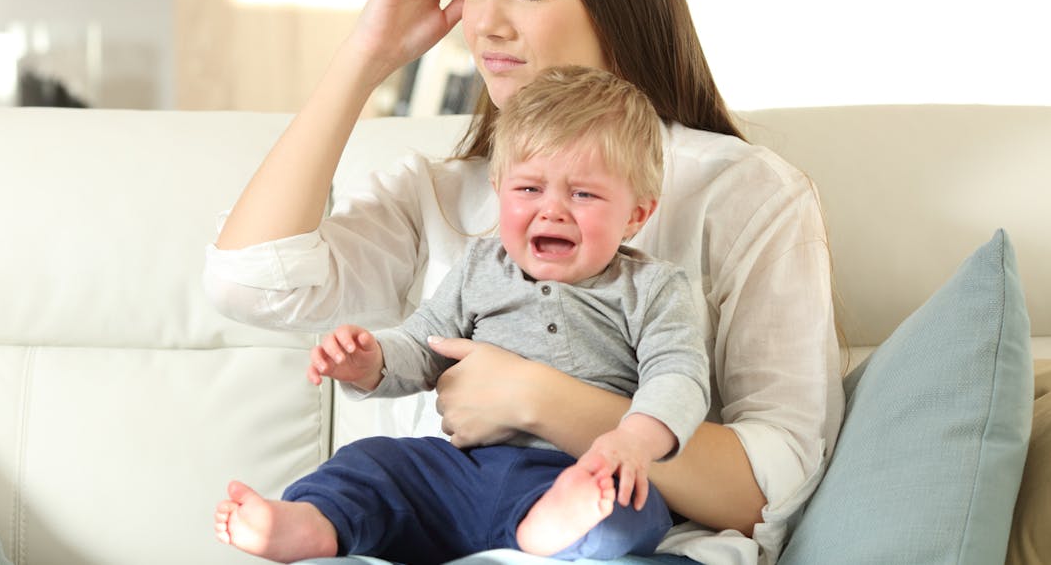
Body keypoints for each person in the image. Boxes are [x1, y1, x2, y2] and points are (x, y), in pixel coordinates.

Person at [203, 0, 844, 563]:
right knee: (361, 478)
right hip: (435, 530)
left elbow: (772, 486)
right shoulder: (439, 193)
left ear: (616, 2)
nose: (486, 24)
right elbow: (248, 283)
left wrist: (535, 396)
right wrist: (367, 53)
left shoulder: (743, 192)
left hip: (625, 543)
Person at [213, 66, 710, 562]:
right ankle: (311, 523)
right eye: (529, 189)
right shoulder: (479, 267)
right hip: (460, 472)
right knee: (373, 462)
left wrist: (633, 442)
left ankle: (552, 528)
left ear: (637, 214)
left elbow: (678, 377)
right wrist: (371, 361)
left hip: (572, 470)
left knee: (633, 509)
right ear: (499, 189)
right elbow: (426, 343)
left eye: (583, 194)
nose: (552, 210)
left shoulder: (651, 287)